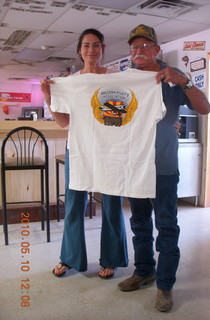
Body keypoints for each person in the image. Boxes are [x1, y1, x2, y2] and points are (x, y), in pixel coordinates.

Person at [118, 24, 210, 312]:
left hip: (164, 167)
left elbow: (205, 108)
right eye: (134, 48)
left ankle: (165, 285)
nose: (139, 51)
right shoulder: (126, 81)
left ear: (157, 50)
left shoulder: (173, 79)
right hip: (134, 166)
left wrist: (184, 81)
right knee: (140, 224)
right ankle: (145, 271)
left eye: (145, 46)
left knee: (167, 226)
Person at [40, 28, 128, 279]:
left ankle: (111, 258)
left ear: (103, 49)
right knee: (74, 205)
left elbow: (119, 115)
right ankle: (69, 257)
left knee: (111, 205)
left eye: (96, 45)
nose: (91, 50)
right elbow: (64, 122)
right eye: (86, 45)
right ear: (80, 50)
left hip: (109, 150)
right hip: (77, 150)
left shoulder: (114, 80)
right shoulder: (72, 82)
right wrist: (48, 97)